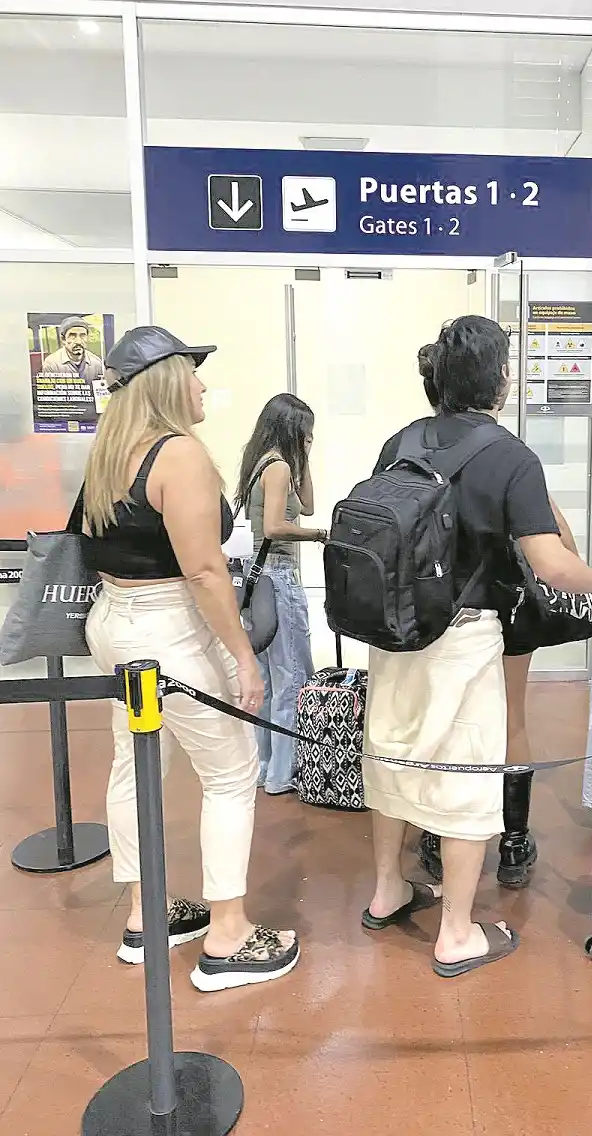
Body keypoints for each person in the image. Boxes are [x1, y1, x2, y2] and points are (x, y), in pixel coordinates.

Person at [360, 316, 592, 977]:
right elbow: (550, 562)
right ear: (501, 379)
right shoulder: (510, 457)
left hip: (395, 631)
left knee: (393, 753)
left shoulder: (402, 440)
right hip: (463, 637)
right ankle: (456, 933)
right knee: (469, 776)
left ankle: (388, 889)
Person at [83, 324, 300, 991]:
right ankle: (228, 935)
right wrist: (244, 657)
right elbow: (204, 571)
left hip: (115, 622)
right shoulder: (179, 455)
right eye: (193, 372)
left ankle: (143, 914)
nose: (203, 385)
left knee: (135, 765)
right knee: (231, 774)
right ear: (168, 383)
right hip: (169, 628)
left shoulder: (110, 451)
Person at [414, 343, 585, 890]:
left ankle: (434, 835)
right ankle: (513, 840)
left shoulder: (410, 447)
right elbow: (561, 547)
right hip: (504, 603)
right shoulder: (507, 454)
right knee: (511, 718)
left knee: (436, 721)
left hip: (432, 609)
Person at [237, 394, 327, 795]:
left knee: (270, 680)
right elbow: (276, 526)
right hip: (278, 576)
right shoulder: (278, 467)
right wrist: (320, 535)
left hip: (257, 579)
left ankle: (266, 766)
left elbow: (307, 504)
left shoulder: (264, 462)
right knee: (292, 675)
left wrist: (303, 458)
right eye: (306, 433)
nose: (309, 439)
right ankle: (283, 774)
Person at [41, 316, 105, 383]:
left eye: (83, 335)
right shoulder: (52, 364)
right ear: (63, 339)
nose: (78, 341)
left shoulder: (97, 363)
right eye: (72, 336)